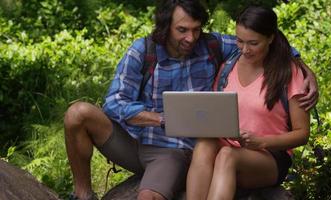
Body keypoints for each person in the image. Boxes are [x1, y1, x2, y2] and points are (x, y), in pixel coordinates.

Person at [64, 1, 317, 200]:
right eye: (182, 30)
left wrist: (305, 69)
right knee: (78, 113)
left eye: (196, 29)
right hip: (135, 139)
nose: (190, 38)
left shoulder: (212, 46)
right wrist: (161, 119)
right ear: (166, 27)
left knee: (153, 191)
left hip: (172, 150)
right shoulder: (143, 51)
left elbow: (264, 43)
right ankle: (83, 194)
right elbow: (113, 103)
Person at [186, 6, 311, 200]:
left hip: (269, 154)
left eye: (253, 43)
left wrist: (261, 141)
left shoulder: (289, 72)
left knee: (227, 155)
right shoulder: (229, 66)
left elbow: (302, 134)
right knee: (204, 144)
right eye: (240, 41)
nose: (245, 50)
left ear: (270, 38)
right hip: (229, 145)